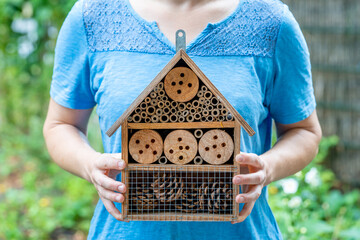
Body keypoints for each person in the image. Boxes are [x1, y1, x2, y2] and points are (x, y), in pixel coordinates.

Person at [43, 0, 322, 239]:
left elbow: (304, 131)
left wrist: (267, 168)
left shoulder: (271, 22)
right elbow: (60, 125)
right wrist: (90, 166)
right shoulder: (92, 17)